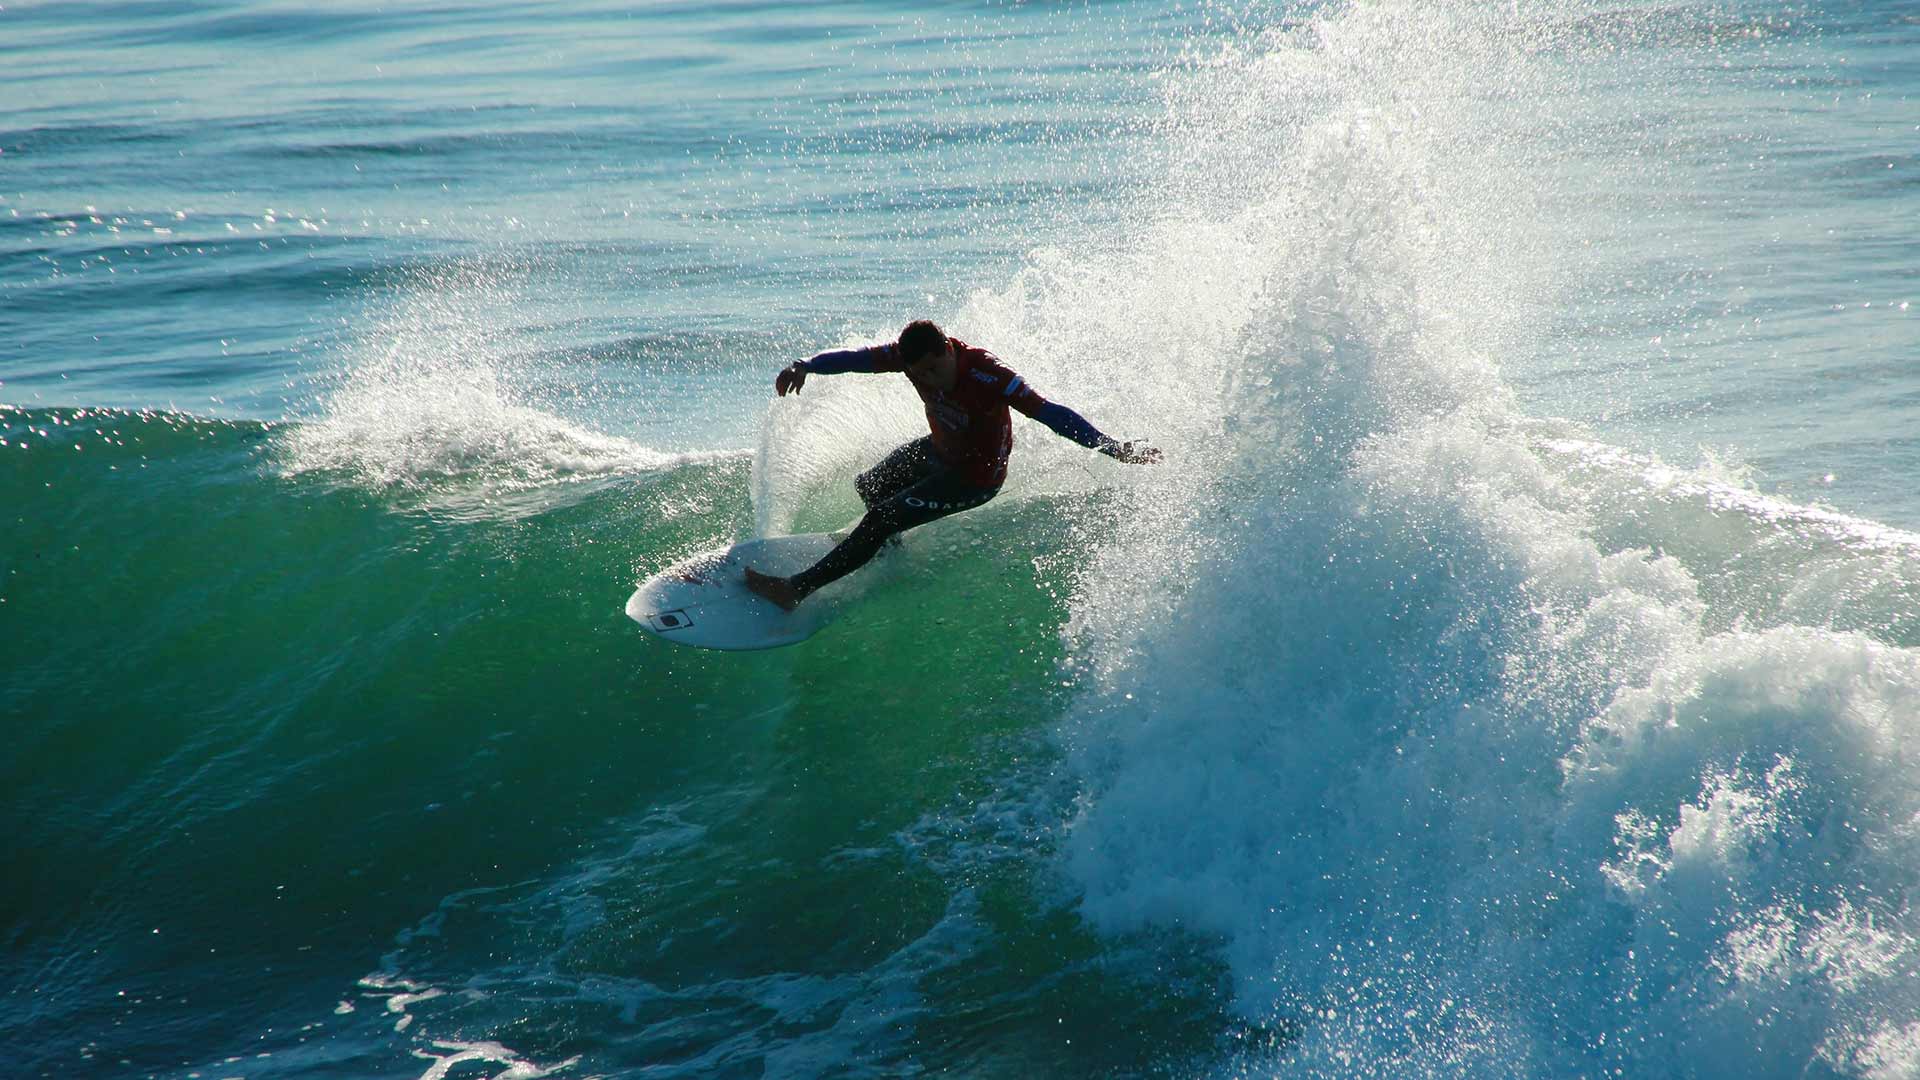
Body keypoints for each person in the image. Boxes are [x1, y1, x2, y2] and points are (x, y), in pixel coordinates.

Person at [744, 320, 1160, 610]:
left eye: (935, 368)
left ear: (948, 350)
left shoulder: (988, 374)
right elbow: (855, 358)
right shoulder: (908, 358)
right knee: (870, 487)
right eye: (919, 373)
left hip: (974, 477)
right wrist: (807, 365)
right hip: (940, 451)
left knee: (879, 518)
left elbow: (1050, 413)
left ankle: (794, 591)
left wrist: (1112, 447)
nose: (930, 378)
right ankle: (887, 554)